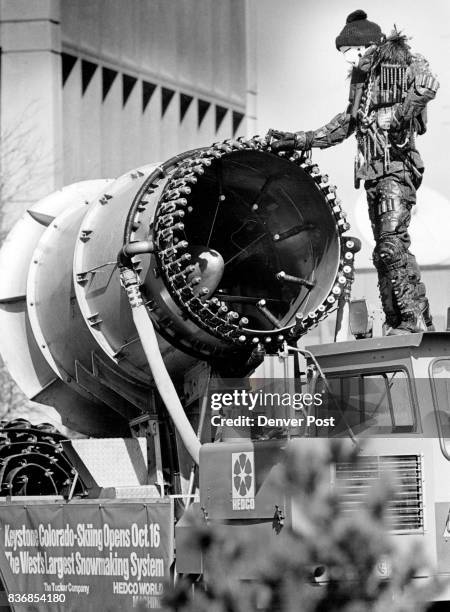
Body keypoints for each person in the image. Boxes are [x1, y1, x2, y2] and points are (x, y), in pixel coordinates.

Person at [268, 9, 439, 335]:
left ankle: (413, 321)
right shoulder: (361, 81)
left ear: (364, 45)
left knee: (391, 246)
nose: (349, 59)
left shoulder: (404, 60)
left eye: (351, 51)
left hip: (396, 167)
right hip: (373, 173)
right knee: (383, 252)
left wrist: (401, 115)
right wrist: (301, 139)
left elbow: (428, 86)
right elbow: (348, 122)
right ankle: (401, 320)